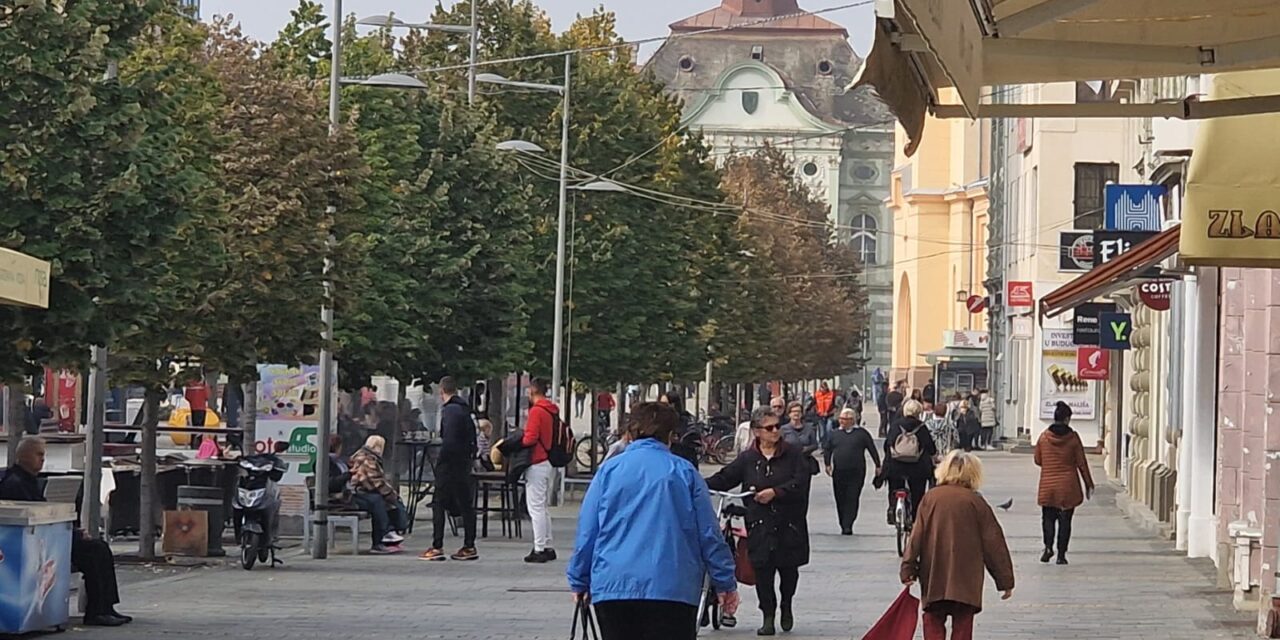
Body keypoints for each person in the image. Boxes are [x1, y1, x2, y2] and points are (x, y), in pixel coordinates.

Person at [567, 402, 740, 640]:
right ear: (670, 435)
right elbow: (709, 533)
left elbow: (588, 532)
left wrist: (579, 579)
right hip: (672, 586)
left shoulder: (608, 471)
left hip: (615, 585)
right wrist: (724, 582)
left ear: (630, 431)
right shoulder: (685, 473)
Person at [0, 437, 132, 626]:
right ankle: (97, 610)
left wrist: (74, 531)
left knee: (98, 547)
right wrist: (74, 534)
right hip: (39, 542)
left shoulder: (27, 480)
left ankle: (105, 607)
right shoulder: (15, 483)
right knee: (94, 551)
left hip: (48, 536)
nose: (42, 459)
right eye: (39, 454)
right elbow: (35, 516)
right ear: (24, 456)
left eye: (43, 455)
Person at [707, 408, 810, 636]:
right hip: (759, 523)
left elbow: (801, 481)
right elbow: (726, 477)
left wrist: (776, 492)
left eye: (777, 426)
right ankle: (768, 615)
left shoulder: (793, 454)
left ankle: (786, 605)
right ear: (757, 432)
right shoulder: (748, 458)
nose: (775, 431)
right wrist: (699, 484)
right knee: (763, 571)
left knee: (788, 571)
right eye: (769, 428)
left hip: (788, 523)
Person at [901, 451, 1015, 640]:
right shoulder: (976, 502)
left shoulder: (931, 498)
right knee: (963, 623)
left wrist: (908, 568)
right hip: (966, 578)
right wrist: (1005, 581)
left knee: (933, 620)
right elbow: (994, 543)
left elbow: (916, 537)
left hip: (934, 573)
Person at [421, 377, 479, 562]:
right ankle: (469, 545)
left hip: (450, 465)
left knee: (438, 503)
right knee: (465, 505)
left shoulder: (450, 411)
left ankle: (437, 545)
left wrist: (441, 461)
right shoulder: (464, 409)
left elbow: (450, 441)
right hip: (463, 463)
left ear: (441, 391)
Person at [1035, 401, 1095, 565]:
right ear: (1067, 419)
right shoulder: (1073, 438)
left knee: (1047, 518)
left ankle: (1048, 547)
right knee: (1065, 521)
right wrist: (1089, 484)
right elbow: (1081, 463)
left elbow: (1038, 460)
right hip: (1068, 486)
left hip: (1048, 486)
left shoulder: (1044, 437)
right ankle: (1061, 555)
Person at [822, 408, 881, 535]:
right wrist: (827, 464)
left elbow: (872, 449)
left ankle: (848, 523)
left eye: (845, 419)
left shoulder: (861, 433)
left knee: (852, 497)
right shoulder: (834, 434)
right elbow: (827, 449)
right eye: (841, 419)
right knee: (840, 497)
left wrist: (878, 465)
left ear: (852, 420)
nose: (842, 422)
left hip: (857, 471)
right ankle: (842, 521)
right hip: (839, 471)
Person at [522, 378, 560, 563]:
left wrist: (517, 442)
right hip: (548, 461)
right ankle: (547, 544)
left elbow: (530, 438)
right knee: (543, 507)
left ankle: (539, 548)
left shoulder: (537, 411)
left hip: (537, 460)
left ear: (533, 390)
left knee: (535, 507)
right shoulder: (551, 410)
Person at [349, 435, 408, 554]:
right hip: (361, 493)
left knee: (386, 502)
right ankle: (384, 536)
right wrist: (391, 494)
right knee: (383, 502)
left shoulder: (364, 456)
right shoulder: (367, 459)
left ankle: (389, 535)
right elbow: (376, 481)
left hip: (363, 491)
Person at [882, 399, 937, 525]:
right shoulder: (921, 427)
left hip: (896, 466)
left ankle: (892, 508)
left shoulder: (896, 425)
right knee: (917, 491)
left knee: (894, 486)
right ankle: (915, 517)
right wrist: (934, 455)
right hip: (917, 468)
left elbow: (888, 444)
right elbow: (930, 447)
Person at [659, 390, 699, 467]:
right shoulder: (658, 421)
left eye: (665, 404)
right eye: (660, 404)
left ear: (673, 404)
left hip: (682, 459)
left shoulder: (685, 420)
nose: (661, 407)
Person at [781, 401, 820, 478]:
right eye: (794, 411)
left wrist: (806, 449)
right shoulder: (783, 429)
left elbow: (815, 445)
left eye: (799, 411)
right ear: (789, 414)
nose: (796, 413)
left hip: (805, 463)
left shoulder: (809, 428)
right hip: (789, 463)